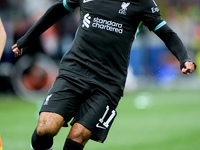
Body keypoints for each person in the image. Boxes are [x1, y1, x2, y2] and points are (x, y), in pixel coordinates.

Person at [12, 0, 196, 149]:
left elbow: (167, 33)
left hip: (109, 82)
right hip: (74, 70)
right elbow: (57, 10)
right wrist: (26, 39)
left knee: (78, 135)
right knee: (46, 127)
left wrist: (184, 58)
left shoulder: (143, 3)